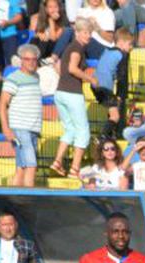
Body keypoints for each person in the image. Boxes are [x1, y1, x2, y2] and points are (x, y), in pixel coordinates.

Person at [51, 18, 96, 178]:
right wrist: (90, 79)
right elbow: (72, 68)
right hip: (72, 94)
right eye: (85, 32)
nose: (88, 36)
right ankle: (75, 169)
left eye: (90, 33)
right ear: (77, 32)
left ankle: (57, 162)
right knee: (83, 132)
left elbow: (58, 67)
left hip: (60, 92)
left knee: (70, 129)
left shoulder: (68, 47)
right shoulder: (77, 48)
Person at [0, 43, 43, 187]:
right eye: (27, 59)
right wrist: (6, 129)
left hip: (33, 128)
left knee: (21, 167)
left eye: (34, 59)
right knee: (31, 165)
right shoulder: (13, 78)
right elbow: (2, 104)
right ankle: (29, 197)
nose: (31, 62)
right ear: (21, 60)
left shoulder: (36, 77)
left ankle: (14, 198)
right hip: (20, 128)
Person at [91, 28, 133, 141]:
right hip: (105, 88)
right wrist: (120, 95)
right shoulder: (122, 55)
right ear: (121, 43)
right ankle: (102, 136)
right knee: (115, 115)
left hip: (94, 85)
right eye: (129, 44)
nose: (131, 47)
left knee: (111, 109)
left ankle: (109, 135)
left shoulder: (107, 51)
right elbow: (122, 77)